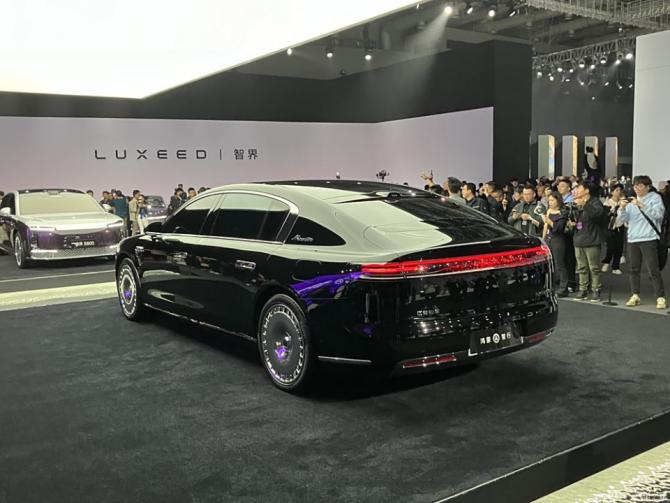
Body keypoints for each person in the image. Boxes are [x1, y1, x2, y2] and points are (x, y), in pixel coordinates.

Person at [617, 175, 667, 309]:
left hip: (649, 238)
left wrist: (641, 205)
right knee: (633, 269)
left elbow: (658, 215)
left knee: (653, 269)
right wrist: (622, 208)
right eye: (635, 186)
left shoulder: (655, 198)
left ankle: (660, 297)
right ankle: (635, 295)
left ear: (648, 187)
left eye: (640, 186)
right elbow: (623, 219)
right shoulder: (631, 200)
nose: (637, 189)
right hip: (633, 239)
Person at [570, 181, 606, 302]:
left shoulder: (595, 202)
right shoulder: (575, 202)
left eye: (579, 188)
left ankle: (596, 289)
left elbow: (597, 215)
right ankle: (583, 289)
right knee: (581, 267)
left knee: (594, 267)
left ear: (587, 190)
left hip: (592, 238)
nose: (576, 190)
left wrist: (584, 204)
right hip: (578, 238)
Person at [542, 192, 569, 297]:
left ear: (558, 200)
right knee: (550, 263)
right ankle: (550, 285)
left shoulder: (562, 213)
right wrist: (543, 239)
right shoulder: (549, 210)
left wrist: (549, 221)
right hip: (549, 238)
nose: (550, 202)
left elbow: (559, 228)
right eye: (549, 200)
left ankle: (563, 287)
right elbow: (545, 227)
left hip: (558, 239)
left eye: (552, 200)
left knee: (560, 264)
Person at [601, 183, 625, 275]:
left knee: (619, 247)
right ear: (612, 192)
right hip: (610, 228)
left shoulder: (623, 202)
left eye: (620, 190)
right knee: (611, 247)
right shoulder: (607, 203)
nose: (619, 192)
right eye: (616, 190)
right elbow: (605, 216)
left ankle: (615, 267)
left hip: (620, 227)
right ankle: (606, 262)